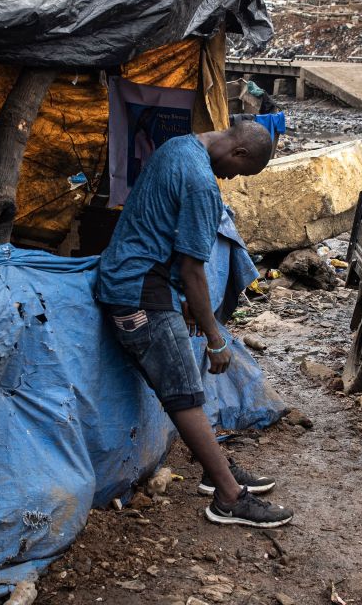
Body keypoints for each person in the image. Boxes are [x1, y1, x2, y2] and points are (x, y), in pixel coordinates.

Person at [96, 121, 293, 528]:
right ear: (238, 153)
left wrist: (184, 302)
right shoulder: (202, 183)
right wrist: (216, 337)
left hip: (133, 277)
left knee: (185, 383)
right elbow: (193, 270)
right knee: (184, 392)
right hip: (139, 291)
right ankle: (228, 497)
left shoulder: (178, 146)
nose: (231, 178)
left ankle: (213, 468)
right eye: (239, 172)